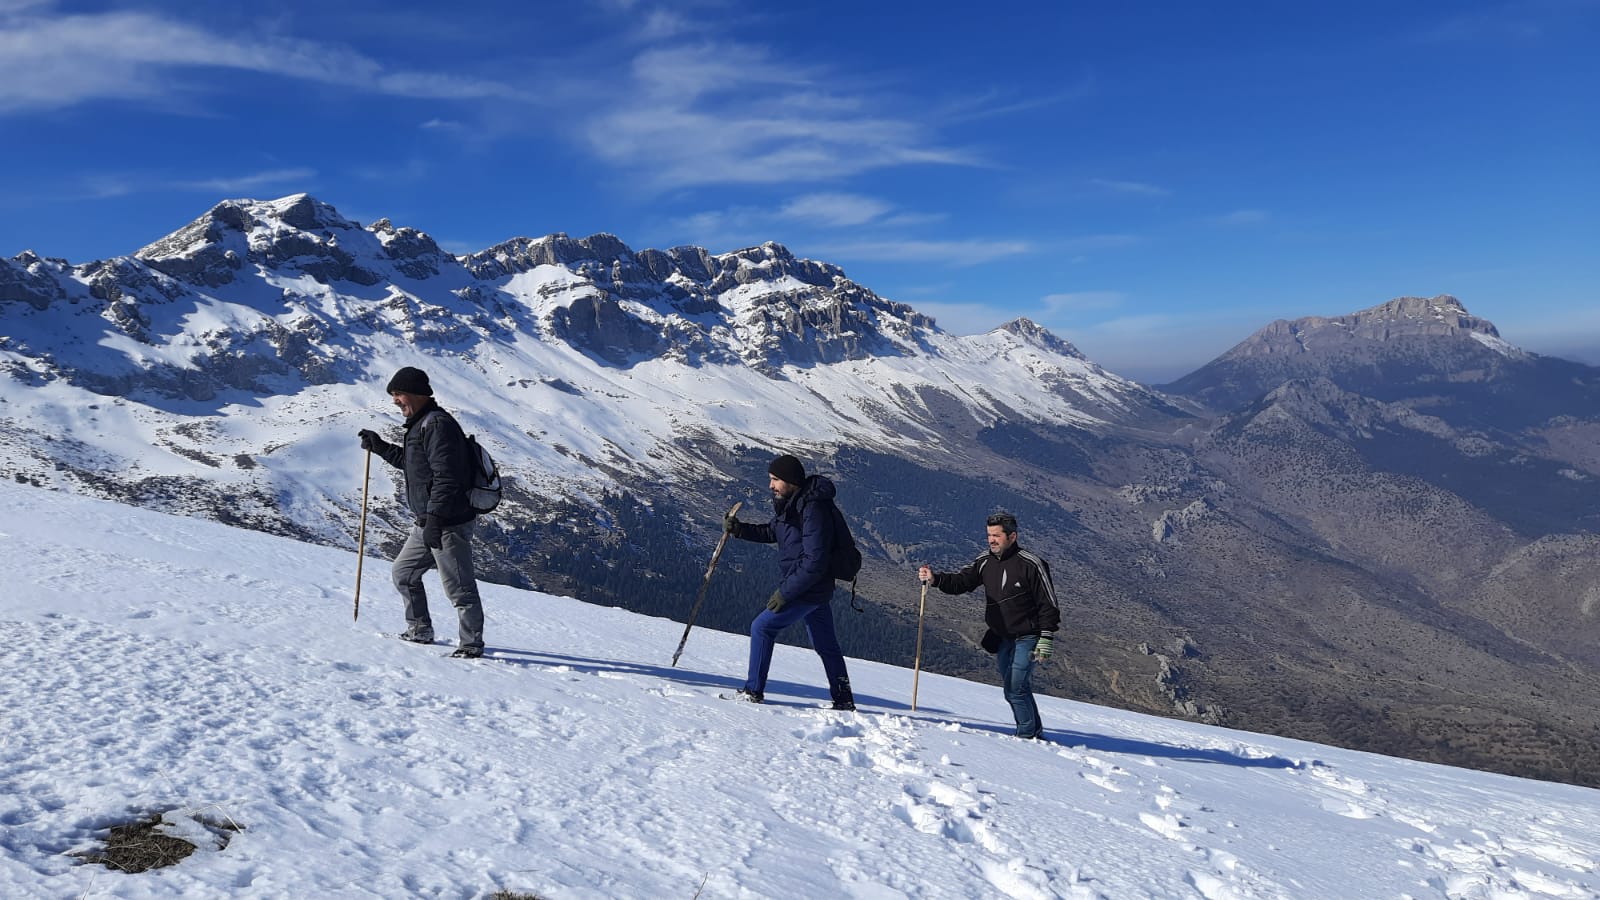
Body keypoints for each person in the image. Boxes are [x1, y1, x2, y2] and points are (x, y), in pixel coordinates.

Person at [357, 366, 486, 659]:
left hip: (447, 523)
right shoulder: (420, 424)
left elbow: (447, 477)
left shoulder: (437, 425)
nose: (395, 400)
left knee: (459, 588)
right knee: (404, 573)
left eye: (398, 394)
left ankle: (471, 645)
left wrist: (436, 520)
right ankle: (420, 629)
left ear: (415, 393)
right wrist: (379, 447)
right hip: (428, 521)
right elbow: (414, 465)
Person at [723, 454, 856, 710]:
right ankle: (844, 699)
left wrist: (785, 593)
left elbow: (814, 561)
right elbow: (772, 531)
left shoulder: (812, 509)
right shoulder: (795, 504)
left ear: (792, 481)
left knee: (762, 627)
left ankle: (753, 691)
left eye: (775, 480)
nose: (771, 485)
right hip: (814, 588)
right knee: (826, 645)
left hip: (807, 587)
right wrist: (740, 530)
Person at [918, 512, 1058, 739]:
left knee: (1015, 688)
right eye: (989, 535)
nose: (991, 540)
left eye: (996, 535)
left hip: (1029, 636)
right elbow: (963, 582)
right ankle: (1035, 729)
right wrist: (935, 579)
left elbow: (1048, 602)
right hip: (1002, 636)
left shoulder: (1032, 564)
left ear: (1012, 536)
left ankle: (1027, 736)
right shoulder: (985, 561)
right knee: (1015, 688)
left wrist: (1046, 636)